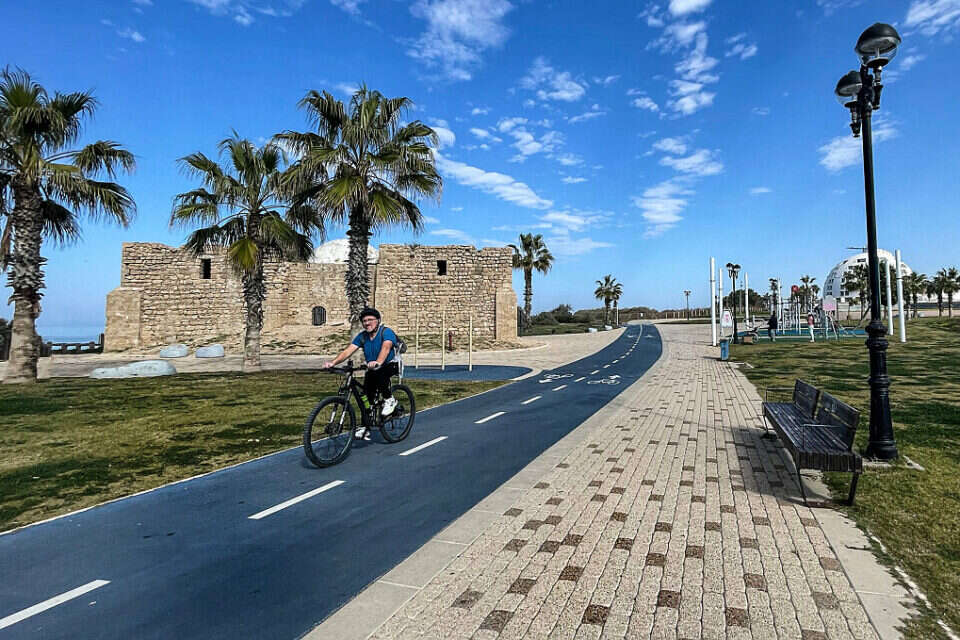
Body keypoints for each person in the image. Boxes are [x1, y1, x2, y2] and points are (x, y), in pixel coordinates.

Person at [323, 307, 399, 437]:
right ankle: (365, 427)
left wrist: (378, 362)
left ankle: (389, 399)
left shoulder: (386, 332)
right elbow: (348, 351)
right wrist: (333, 363)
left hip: (389, 364)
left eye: (370, 320)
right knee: (366, 397)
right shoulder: (362, 336)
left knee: (380, 374)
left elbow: (386, 348)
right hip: (372, 367)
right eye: (364, 321)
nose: (367, 323)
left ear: (378, 320)